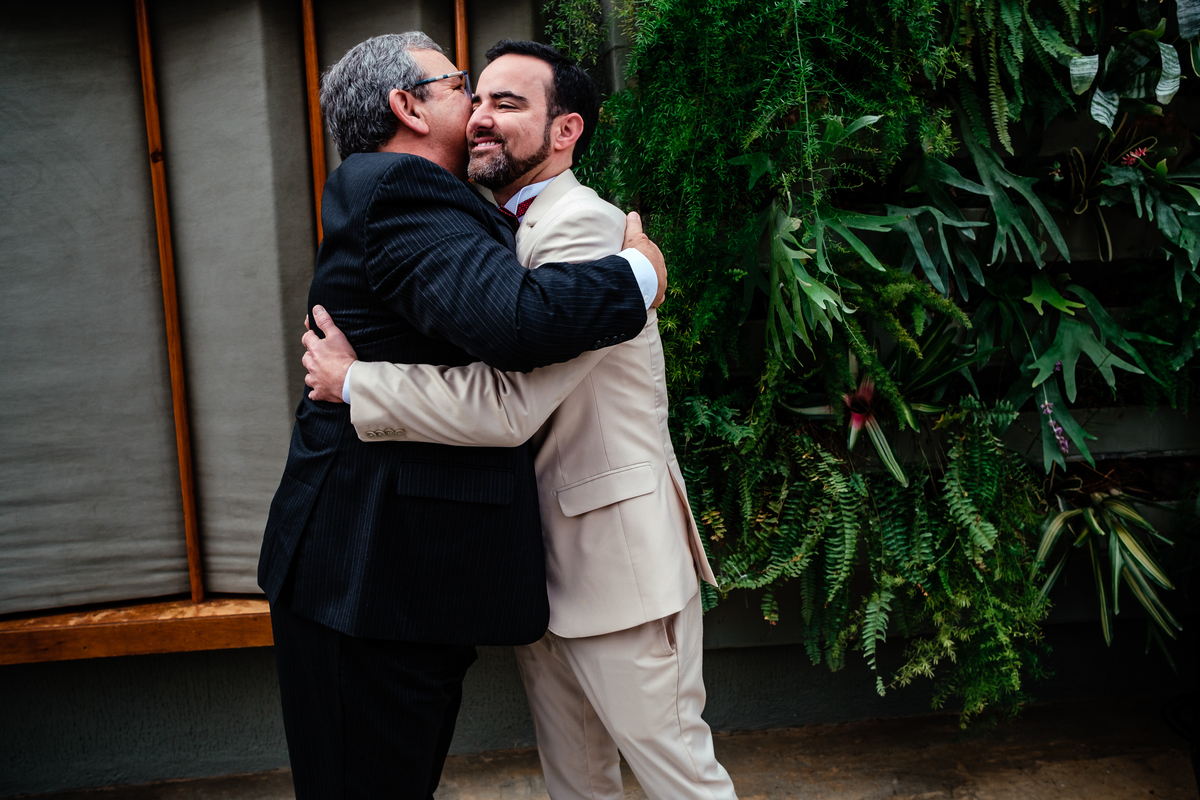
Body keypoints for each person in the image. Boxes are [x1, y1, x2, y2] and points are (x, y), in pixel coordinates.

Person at [303, 40, 738, 800]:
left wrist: (356, 383)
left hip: (617, 564)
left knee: (682, 783)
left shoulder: (583, 227)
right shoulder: (484, 224)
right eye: (476, 99)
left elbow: (510, 405)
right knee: (578, 786)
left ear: (565, 131)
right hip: (539, 573)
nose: (480, 118)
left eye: (507, 103)